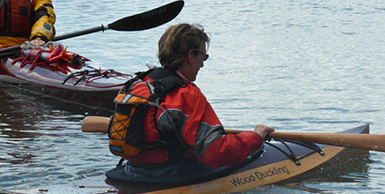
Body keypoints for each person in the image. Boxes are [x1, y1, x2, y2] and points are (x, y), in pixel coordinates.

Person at [107, 23, 274, 184]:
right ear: (191, 54)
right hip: (168, 176)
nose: (202, 64)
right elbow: (216, 152)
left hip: (132, 171)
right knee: (254, 152)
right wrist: (255, 137)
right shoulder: (186, 94)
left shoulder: (135, 84)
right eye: (203, 56)